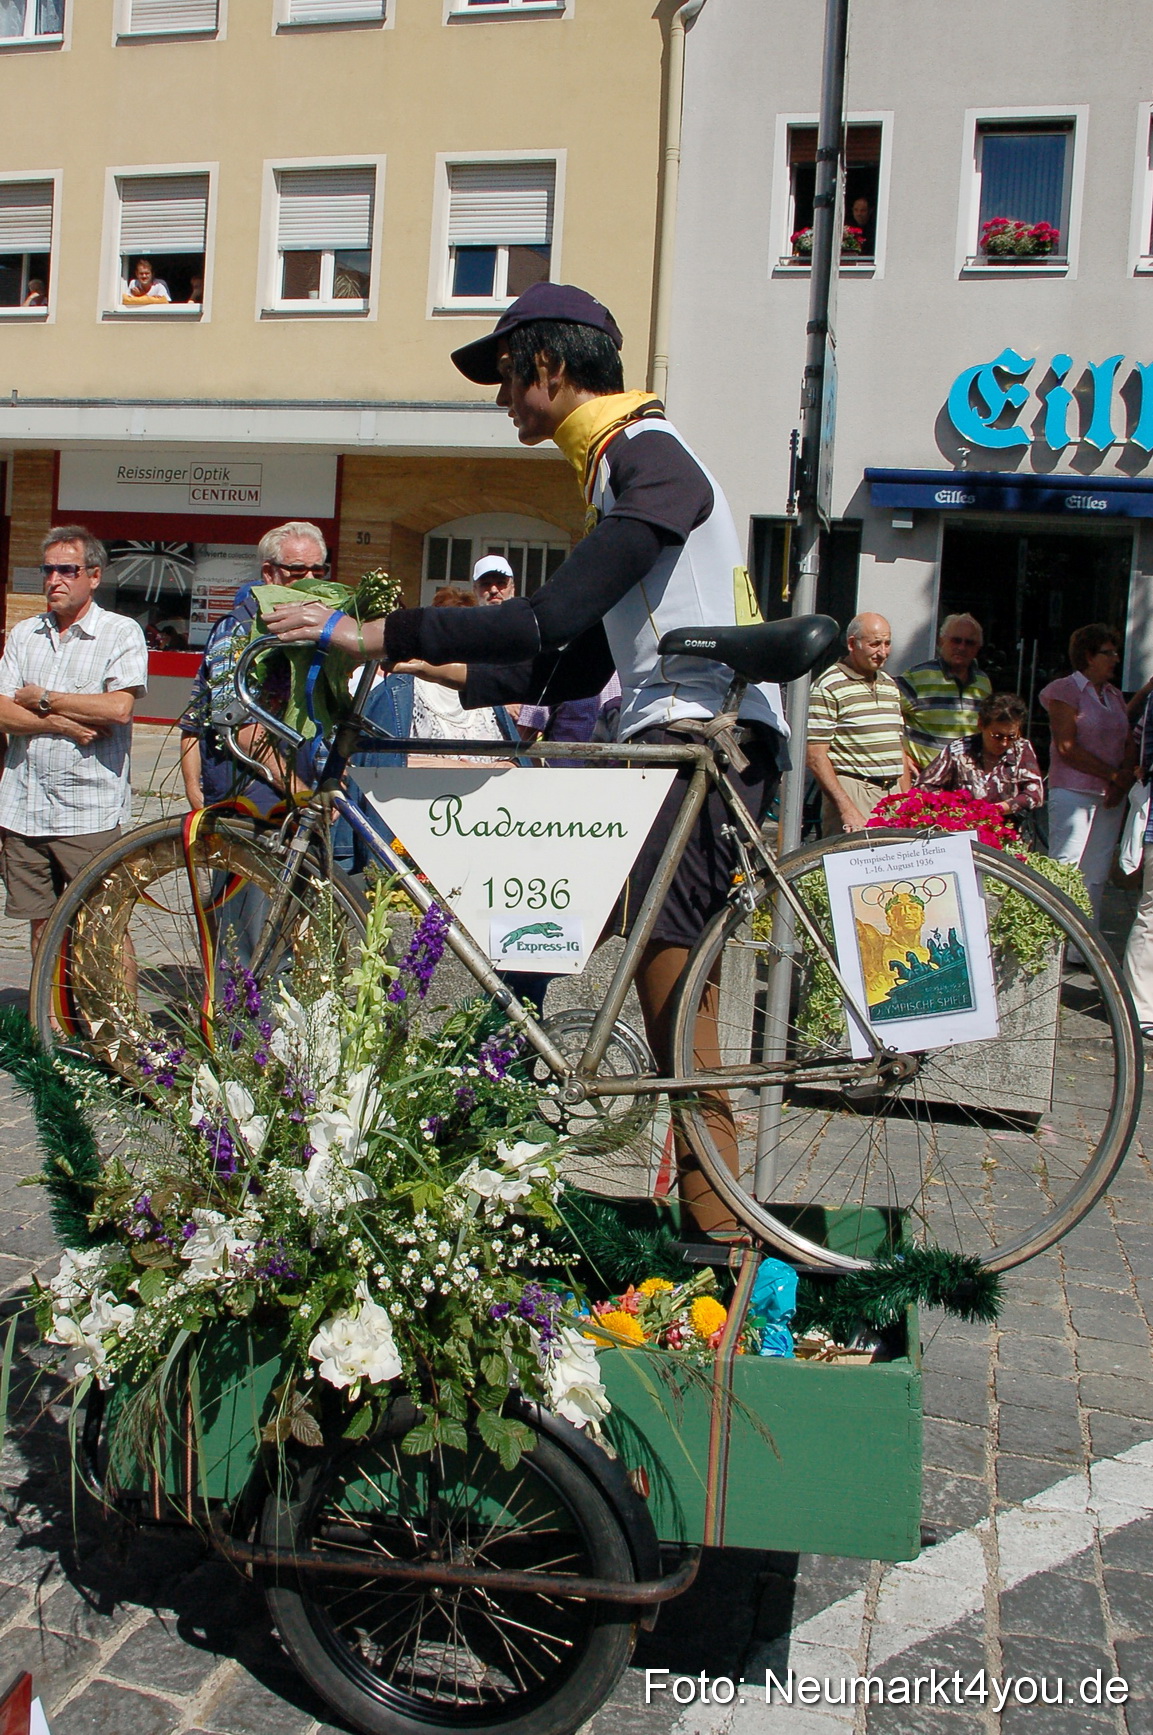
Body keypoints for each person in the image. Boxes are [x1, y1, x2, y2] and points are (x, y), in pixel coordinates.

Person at [264, 279, 789, 1239]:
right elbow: (578, 658)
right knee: (658, 960)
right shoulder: (617, 465)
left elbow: (551, 615)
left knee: (669, 972)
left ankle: (719, 1218)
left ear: (547, 365)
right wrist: (440, 665)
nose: (503, 397)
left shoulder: (648, 454)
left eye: (507, 376)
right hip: (681, 725)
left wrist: (375, 631)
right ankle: (700, 1197)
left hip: (702, 729)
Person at [0, 525, 147, 960]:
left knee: (105, 927)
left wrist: (43, 698)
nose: (55, 580)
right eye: (48, 570)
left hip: (87, 812)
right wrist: (64, 724)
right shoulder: (25, 633)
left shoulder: (120, 633)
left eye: (67, 570)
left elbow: (117, 708)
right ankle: (48, 1007)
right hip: (23, 810)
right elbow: (2, 711)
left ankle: (113, 1008)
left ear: (94, 576)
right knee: (42, 927)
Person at [179, 521, 330, 811]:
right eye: (298, 572)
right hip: (249, 797)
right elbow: (238, 725)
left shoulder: (315, 632)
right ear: (269, 573)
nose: (311, 581)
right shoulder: (239, 631)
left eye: (318, 571)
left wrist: (332, 780)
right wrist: (301, 792)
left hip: (301, 793)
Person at [1040, 624, 1135, 929]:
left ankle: (1085, 942)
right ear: (1089, 656)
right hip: (1074, 791)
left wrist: (1122, 780)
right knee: (1065, 867)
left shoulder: (1114, 694)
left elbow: (1128, 739)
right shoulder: (1064, 690)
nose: (1116, 659)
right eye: (1109, 653)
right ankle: (1054, 940)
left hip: (1109, 795)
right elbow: (1066, 747)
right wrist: (1113, 775)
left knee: (1096, 873)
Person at [806, 612, 912, 835]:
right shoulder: (829, 685)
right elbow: (815, 756)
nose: (883, 652)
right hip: (855, 791)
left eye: (887, 643)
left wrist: (907, 800)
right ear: (852, 644)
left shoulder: (888, 684)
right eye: (875, 644)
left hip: (892, 794)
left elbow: (896, 746)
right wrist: (846, 808)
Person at [918, 691, 1044, 816]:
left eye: (1011, 737)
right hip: (964, 821)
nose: (1004, 743)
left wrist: (996, 809)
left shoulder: (1021, 749)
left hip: (1008, 823)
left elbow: (1035, 794)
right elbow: (923, 786)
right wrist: (954, 806)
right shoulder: (959, 750)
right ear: (981, 725)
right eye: (997, 736)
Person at [898, 613, 993, 771]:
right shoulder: (918, 677)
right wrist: (901, 755)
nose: (962, 647)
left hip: (967, 777)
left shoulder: (983, 683)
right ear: (941, 641)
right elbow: (882, 714)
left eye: (969, 643)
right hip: (926, 778)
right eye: (956, 640)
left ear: (978, 648)